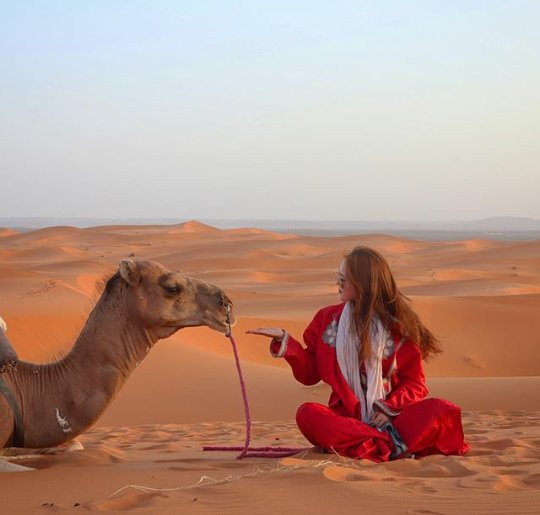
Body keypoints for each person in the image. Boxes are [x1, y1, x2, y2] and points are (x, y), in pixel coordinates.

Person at [247, 246, 469, 462]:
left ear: (364, 284)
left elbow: (416, 385)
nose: (338, 284)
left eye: (344, 279)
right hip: (346, 419)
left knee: (442, 409)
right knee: (307, 414)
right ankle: (389, 445)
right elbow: (310, 375)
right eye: (338, 277)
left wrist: (390, 408)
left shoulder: (399, 328)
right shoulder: (326, 320)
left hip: (393, 419)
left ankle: (368, 444)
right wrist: (286, 342)